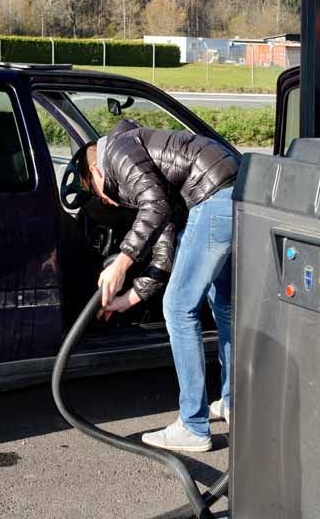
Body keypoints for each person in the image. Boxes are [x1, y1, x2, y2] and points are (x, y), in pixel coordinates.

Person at [74, 119, 238, 453]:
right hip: (232, 191)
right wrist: (128, 300)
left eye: (96, 191)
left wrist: (121, 264)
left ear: (96, 171)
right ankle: (234, 404)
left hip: (214, 196)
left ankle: (192, 426)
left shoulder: (117, 152)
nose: (104, 201)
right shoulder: (136, 156)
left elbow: (155, 206)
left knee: (178, 308)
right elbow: (164, 247)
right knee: (222, 302)